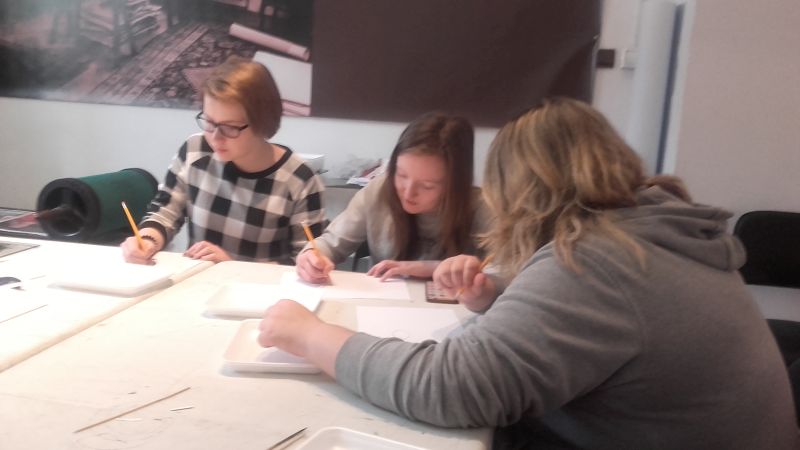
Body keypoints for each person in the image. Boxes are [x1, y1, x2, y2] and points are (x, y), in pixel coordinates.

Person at [256, 98, 799, 449]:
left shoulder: (599, 260)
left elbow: (448, 387)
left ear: (526, 189)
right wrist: (496, 293)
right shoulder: (650, 231)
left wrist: (311, 335)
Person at [121, 56, 325, 265]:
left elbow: (305, 265)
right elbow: (165, 211)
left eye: (230, 127)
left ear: (262, 122)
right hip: (197, 279)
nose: (215, 138)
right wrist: (147, 240)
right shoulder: (195, 150)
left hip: (259, 286)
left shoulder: (299, 180)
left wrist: (233, 266)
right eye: (210, 122)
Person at [295, 112, 489, 283]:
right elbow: (332, 242)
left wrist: (431, 268)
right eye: (401, 175)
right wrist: (312, 256)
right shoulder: (379, 190)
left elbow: (502, 272)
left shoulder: (480, 206)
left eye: (427, 186)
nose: (408, 192)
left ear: (455, 184)